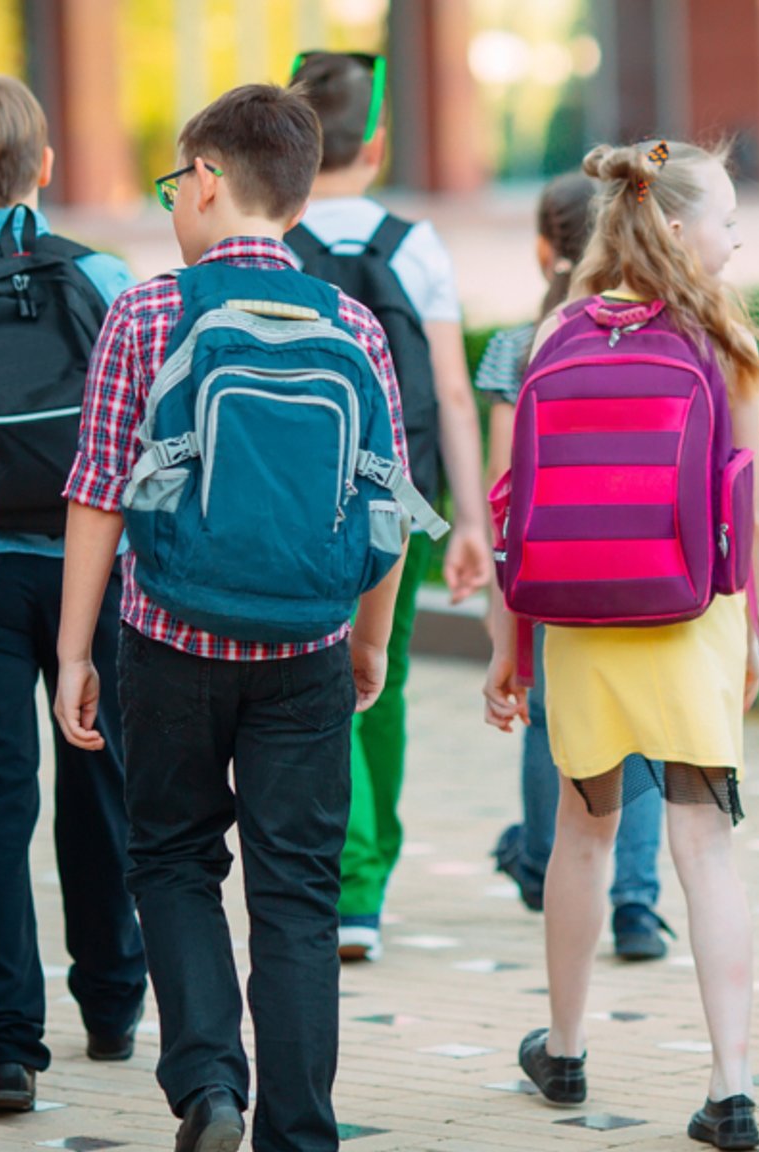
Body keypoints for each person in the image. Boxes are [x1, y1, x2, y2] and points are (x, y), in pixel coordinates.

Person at [53, 82, 412, 1152]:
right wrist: (369, 640)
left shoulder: (147, 311)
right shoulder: (348, 322)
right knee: (297, 893)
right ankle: (298, 1131)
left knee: (169, 860)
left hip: (166, 638)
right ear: (294, 201)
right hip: (304, 644)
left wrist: (74, 649)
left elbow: (97, 492)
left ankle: (209, 1085)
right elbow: (384, 500)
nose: (172, 200)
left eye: (174, 181)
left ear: (206, 181)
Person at [483, 139, 759, 1151]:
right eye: (727, 219)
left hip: (579, 619)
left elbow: (518, 500)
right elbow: (756, 505)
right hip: (690, 613)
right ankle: (729, 1087)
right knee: (703, 847)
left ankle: (563, 1051)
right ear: (681, 228)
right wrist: (749, 629)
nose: (734, 236)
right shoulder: (720, 337)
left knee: (581, 836)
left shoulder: (556, 330)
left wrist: (508, 645)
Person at [0, 74, 148, 1114]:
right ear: (45, 166)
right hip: (90, 571)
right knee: (99, 784)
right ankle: (110, 1001)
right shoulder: (103, 275)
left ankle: (6, 1046)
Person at [287, 50, 494, 963]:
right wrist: (473, 527)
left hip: (291, 501)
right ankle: (365, 886)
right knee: (385, 676)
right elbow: (452, 392)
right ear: (375, 140)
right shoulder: (414, 245)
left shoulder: (270, 235)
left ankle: (339, 870)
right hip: (398, 503)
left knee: (317, 673)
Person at [477, 171, 670, 960]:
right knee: (647, 730)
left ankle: (544, 868)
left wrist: (503, 621)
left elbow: (503, 496)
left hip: (561, 569)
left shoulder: (521, 346)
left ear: (543, 247)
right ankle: (634, 903)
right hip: (653, 562)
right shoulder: (666, 333)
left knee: (549, 718)